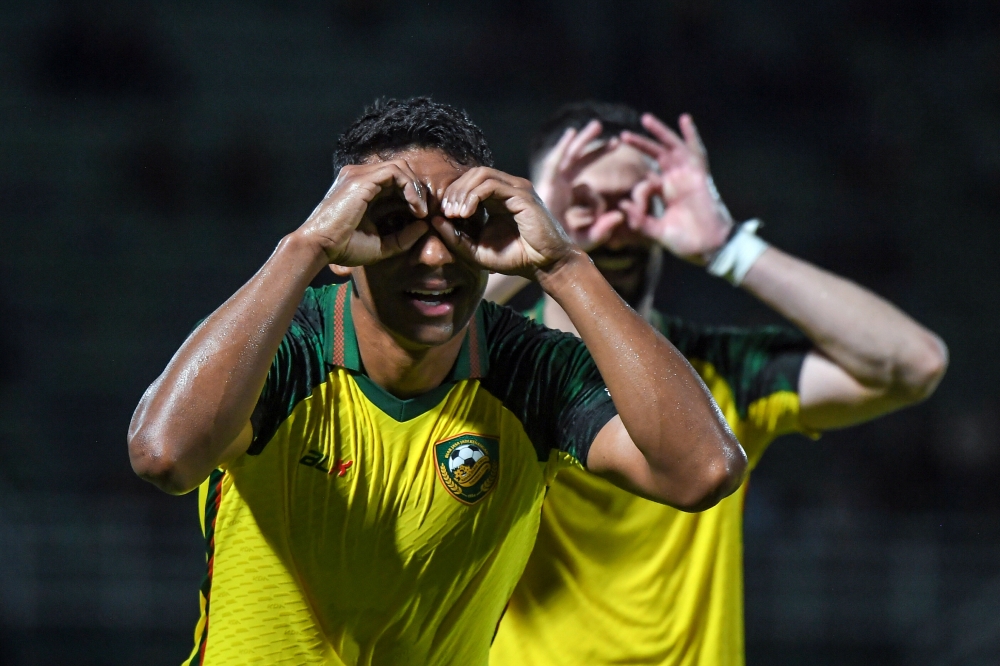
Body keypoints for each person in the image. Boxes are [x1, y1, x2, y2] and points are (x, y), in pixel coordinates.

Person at [126, 97, 748, 666]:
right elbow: (165, 456)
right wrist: (306, 245)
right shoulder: (282, 347)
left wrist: (562, 265)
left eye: (461, 224)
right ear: (346, 238)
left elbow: (704, 471)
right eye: (395, 223)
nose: (434, 255)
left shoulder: (529, 371)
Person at [488, 101, 949, 666]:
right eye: (583, 203)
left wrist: (729, 246)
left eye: (637, 201)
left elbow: (914, 363)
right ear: (543, 207)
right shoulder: (496, 367)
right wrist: (532, 248)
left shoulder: (719, 370)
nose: (614, 225)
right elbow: (408, 342)